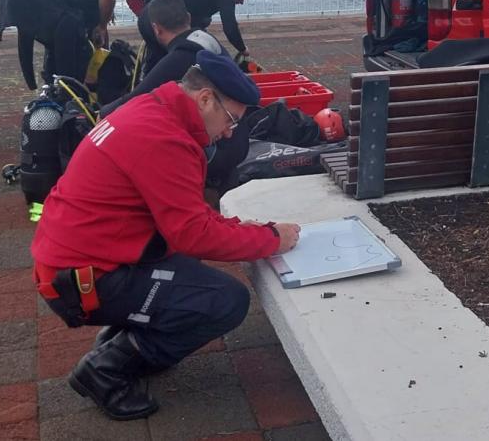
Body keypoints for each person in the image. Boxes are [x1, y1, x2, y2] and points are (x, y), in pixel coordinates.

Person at [32, 51, 302, 421]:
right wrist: (272, 239)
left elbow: (186, 215)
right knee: (227, 300)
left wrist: (248, 230)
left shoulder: (153, 109)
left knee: (186, 266)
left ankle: (124, 337)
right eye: (231, 121)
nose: (228, 133)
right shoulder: (164, 139)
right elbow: (194, 234)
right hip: (84, 280)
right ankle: (104, 369)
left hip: (77, 263)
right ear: (205, 99)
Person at [99, 0, 225, 117]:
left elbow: (139, 94)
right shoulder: (205, 38)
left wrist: (104, 112)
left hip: (220, 121)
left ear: (156, 29)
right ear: (189, 18)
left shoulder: (179, 57)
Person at [136, 0, 255, 72]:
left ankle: (142, 87)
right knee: (182, 61)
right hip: (158, 22)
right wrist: (243, 49)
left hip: (147, 17)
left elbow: (195, 13)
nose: (242, 1)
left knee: (157, 66)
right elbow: (230, 28)